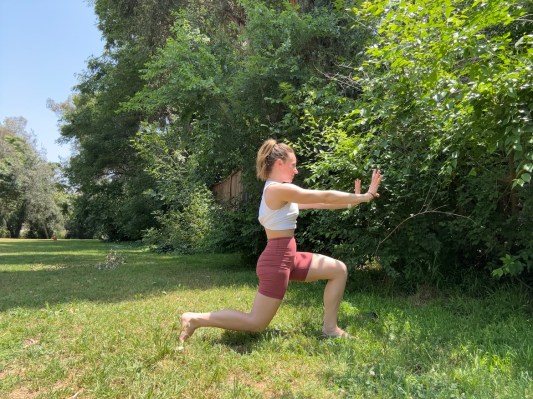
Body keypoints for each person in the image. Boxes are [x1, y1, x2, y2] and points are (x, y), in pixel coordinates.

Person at [179, 139, 382, 342]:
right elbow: (324, 196)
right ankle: (194, 319)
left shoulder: (280, 192)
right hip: (277, 260)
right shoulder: (277, 190)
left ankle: (330, 328)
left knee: (338, 270)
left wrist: (352, 201)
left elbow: (322, 203)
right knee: (256, 323)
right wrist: (365, 196)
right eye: (293, 165)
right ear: (279, 164)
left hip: (288, 256)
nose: (296, 171)